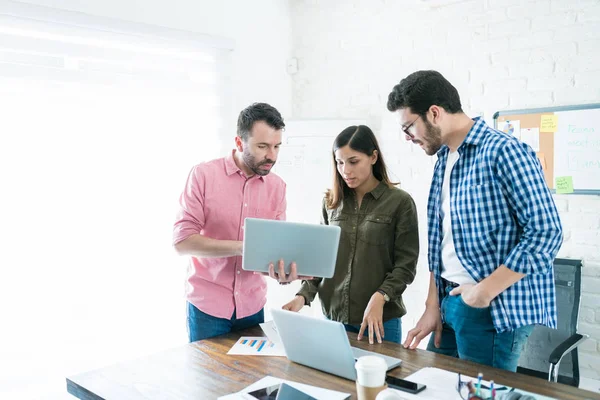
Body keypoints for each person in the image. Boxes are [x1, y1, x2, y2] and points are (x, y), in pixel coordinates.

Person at [387, 70, 563, 371]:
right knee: (437, 389)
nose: (407, 138)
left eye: (408, 127)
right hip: (450, 303)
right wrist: (432, 306)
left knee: (479, 395)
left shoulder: (504, 152)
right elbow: (440, 241)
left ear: (434, 113)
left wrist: (484, 292)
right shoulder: (444, 160)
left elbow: (546, 232)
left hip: (492, 308)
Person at [173, 102, 306, 342]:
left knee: (252, 379)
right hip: (207, 309)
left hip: (252, 308)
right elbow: (182, 242)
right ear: (239, 142)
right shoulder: (203, 176)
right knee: (209, 380)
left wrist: (284, 273)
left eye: (277, 146)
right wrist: (242, 247)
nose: (272, 156)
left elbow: (272, 253)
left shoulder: (277, 187)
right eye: (263, 146)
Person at [283, 125, 419, 345]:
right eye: (340, 162)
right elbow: (321, 260)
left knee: (380, 379)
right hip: (333, 318)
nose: (345, 170)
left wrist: (381, 296)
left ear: (373, 157)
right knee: (334, 380)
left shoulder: (400, 203)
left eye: (353, 161)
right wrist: (303, 296)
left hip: (379, 321)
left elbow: (406, 265)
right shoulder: (330, 202)